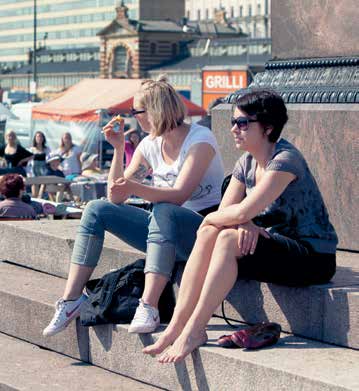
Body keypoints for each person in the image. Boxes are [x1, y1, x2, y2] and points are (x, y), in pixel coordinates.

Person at [142, 89, 338, 363]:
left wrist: (238, 217)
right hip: (270, 243)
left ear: (268, 127)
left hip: (312, 256)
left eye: (243, 123)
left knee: (222, 235)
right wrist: (243, 220)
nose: (234, 128)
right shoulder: (245, 162)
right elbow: (230, 213)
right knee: (213, 231)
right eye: (233, 122)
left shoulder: (285, 160)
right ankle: (176, 327)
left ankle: (195, 329)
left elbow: (239, 210)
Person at [43, 75, 224, 337]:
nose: (133, 116)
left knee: (163, 208)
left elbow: (179, 195)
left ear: (155, 111)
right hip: (162, 230)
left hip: (200, 230)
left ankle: (148, 305)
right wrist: (118, 149)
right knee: (96, 209)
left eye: (136, 111)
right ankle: (71, 300)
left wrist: (134, 187)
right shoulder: (150, 144)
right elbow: (115, 196)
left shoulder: (200, 139)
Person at [29, 131, 51, 197]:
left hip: (43, 170)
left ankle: (40, 198)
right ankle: (35, 199)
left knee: (43, 184)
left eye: (41, 136)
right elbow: (29, 162)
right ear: (35, 138)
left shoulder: (47, 149)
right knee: (34, 185)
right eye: (38, 136)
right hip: (34, 170)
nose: (39, 138)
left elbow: (49, 159)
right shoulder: (31, 149)